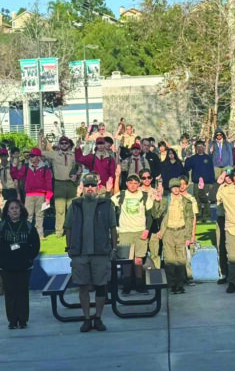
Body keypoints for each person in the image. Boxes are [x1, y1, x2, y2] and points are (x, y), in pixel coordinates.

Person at [65, 174, 117, 333]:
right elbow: (68, 228)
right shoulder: (74, 205)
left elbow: (113, 228)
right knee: (83, 287)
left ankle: (98, 317)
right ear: (82, 187)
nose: (90, 188)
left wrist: (113, 248)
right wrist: (70, 247)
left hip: (100, 252)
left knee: (101, 286)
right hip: (80, 253)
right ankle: (87, 318)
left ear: (97, 187)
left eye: (92, 185)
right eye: (87, 185)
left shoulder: (106, 204)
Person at [0, 199, 40, 329]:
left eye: (16, 208)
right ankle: (12, 321)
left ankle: (23, 320)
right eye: (11, 208)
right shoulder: (2, 225)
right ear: (7, 211)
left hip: (24, 266)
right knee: (10, 293)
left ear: (21, 210)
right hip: (6, 266)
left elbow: (36, 245)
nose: (14, 210)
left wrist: (29, 258)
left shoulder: (28, 226)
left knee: (22, 293)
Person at [112, 175, 163, 294]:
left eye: (135, 183)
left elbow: (150, 214)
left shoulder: (144, 196)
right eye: (130, 183)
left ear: (138, 184)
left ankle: (140, 284)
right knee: (126, 260)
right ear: (126, 184)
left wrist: (146, 230)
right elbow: (109, 202)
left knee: (139, 260)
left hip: (140, 231)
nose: (133, 185)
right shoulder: (121, 195)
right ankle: (127, 285)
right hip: (125, 232)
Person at [158, 178, 195, 293]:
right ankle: (172, 284)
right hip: (168, 231)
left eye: (178, 187)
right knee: (169, 260)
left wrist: (188, 236)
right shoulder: (165, 200)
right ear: (170, 188)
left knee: (181, 259)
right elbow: (156, 214)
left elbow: (190, 219)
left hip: (181, 231)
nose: (176, 189)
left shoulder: (186, 201)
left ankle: (180, 284)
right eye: (173, 187)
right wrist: (157, 201)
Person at [40, 135, 80, 236]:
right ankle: (59, 231)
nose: (64, 145)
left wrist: (77, 175)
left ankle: (72, 230)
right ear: (59, 144)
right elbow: (40, 152)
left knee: (72, 209)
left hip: (71, 184)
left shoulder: (73, 155)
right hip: (59, 183)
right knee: (60, 210)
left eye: (66, 143)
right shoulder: (54, 154)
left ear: (68, 144)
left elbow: (80, 166)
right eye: (62, 143)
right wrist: (40, 139)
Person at [13, 148, 53, 239]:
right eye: (30, 156)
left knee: (40, 215)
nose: (31, 158)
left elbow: (48, 182)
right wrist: (14, 167)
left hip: (41, 195)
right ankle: (28, 234)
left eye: (33, 156)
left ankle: (40, 234)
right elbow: (17, 176)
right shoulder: (26, 166)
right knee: (28, 215)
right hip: (29, 195)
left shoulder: (45, 168)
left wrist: (48, 197)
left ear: (38, 157)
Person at [184, 141, 216, 223]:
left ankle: (207, 217)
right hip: (196, 183)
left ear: (204, 147)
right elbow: (187, 168)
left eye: (201, 146)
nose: (200, 148)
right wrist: (187, 158)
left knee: (206, 200)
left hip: (207, 183)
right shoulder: (193, 158)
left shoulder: (208, 158)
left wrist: (212, 182)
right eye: (198, 147)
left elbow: (211, 170)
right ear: (195, 148)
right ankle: (197, 217)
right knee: (196, 200)